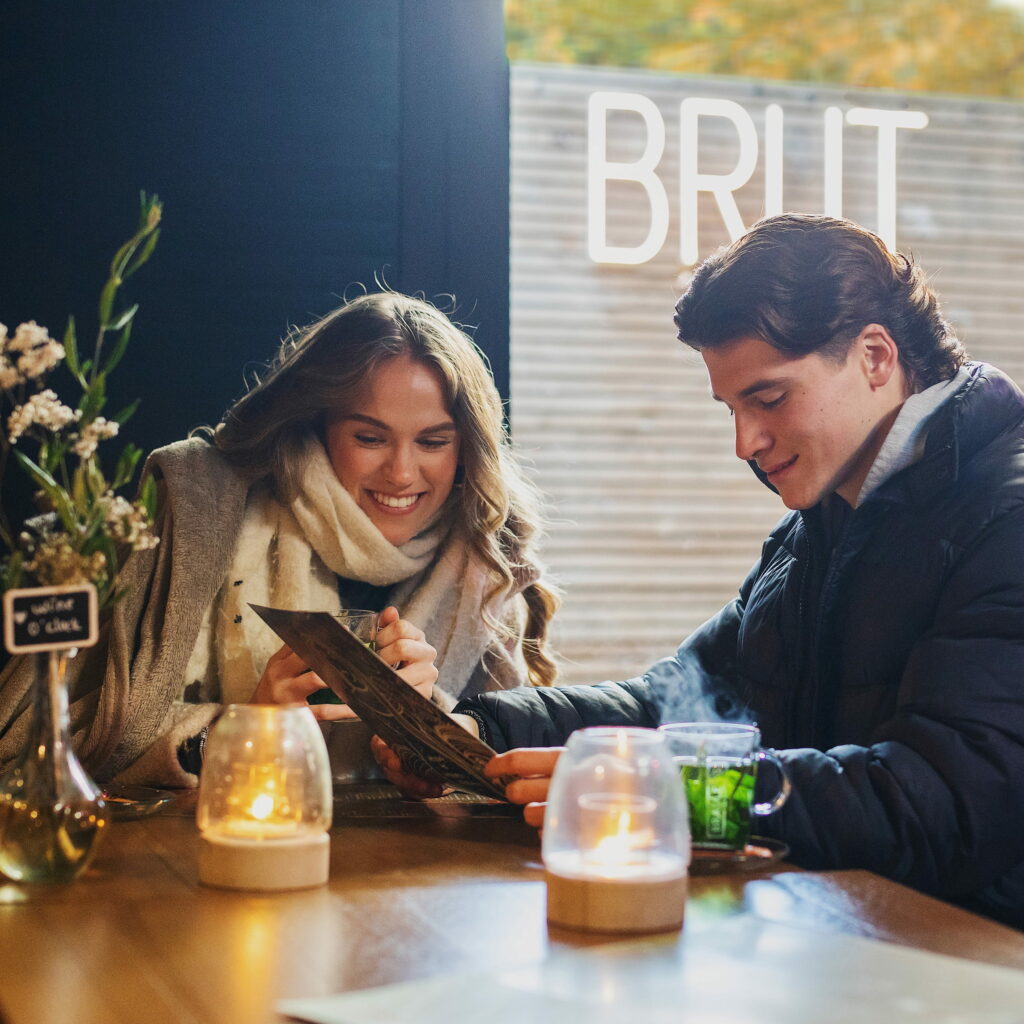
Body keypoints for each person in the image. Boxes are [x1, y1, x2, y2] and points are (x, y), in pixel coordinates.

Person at [377, 215, 1024, 928]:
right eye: (732, 408)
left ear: (875, 356)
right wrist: (476, 735)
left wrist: (667, 787)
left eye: (769, 398)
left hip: (971, 968)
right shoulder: (823, 524)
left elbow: (949, 804)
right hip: (841, 940)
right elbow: (678, 702)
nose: (745, 442)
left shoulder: (1006, 519)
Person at [0, 292, 558, 787]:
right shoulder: (202, 506)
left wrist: (422, 718)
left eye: (433, 441)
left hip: (405, 877)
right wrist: (242, 728)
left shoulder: (481, 554)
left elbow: (499, 763)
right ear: (316, 425)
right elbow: (38, 734)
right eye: (370, 437)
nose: (403, 473)